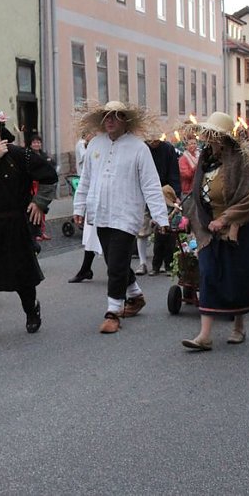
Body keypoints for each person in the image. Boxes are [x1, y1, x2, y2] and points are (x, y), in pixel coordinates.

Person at [72, 101, 169, 334]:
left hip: (126, 214)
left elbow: (151, 185)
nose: (110, 120)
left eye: (115, 116)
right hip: (100, 212)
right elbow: (85, 179)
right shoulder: (95, 144)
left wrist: (160, 217)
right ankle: (135, 295)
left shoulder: (138, 148)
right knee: (114, 260)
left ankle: (113, 311)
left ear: (125, 120)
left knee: (115, 264)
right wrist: (79, 207)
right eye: (107, 116)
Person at [0, 113, 58, 347]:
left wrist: (40, 202)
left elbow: (49, 176)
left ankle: (31, 308)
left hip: (13, 225)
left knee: (22, 276)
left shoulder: (20, 155)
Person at [180, 111, 249, 351]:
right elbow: (197, 193)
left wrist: (227, 219)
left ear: (224, 138)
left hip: (238, 229)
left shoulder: (238, 161)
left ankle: (239, 326)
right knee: (208, 274)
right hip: (210, 229)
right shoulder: (205, 160)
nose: (208, 139)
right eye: (207, 134)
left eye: (213, 135)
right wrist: (194, 218)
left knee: (236, 277)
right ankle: (204, 335)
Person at [143, 134, 181, 275]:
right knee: (158, 239)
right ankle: (155, 266)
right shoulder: (144, 149)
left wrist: (175, 195)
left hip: (167, 192)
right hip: (150, 191)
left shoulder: (168, 149)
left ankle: (168, 265)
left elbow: (174, 173)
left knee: (170, 238)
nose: (153, 142)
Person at [69, 132, 102, 283]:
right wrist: (79, 208)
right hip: (94, 200)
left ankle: (128, 280)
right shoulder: (86, 147)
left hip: (108, 202)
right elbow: (86, 180)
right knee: (92, 237)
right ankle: (85, 269)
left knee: (108, 243)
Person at [28, 134, 54, 241]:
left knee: (42, 209)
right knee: (35, 208)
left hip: (42, 186)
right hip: (32, 186)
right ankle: (36, 233)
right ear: (30, 144)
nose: (36, 144)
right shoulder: (28, 156)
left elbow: (51, 166)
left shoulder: (44, 156)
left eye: (38, 142)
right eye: (34, 142)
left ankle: (42, 231)